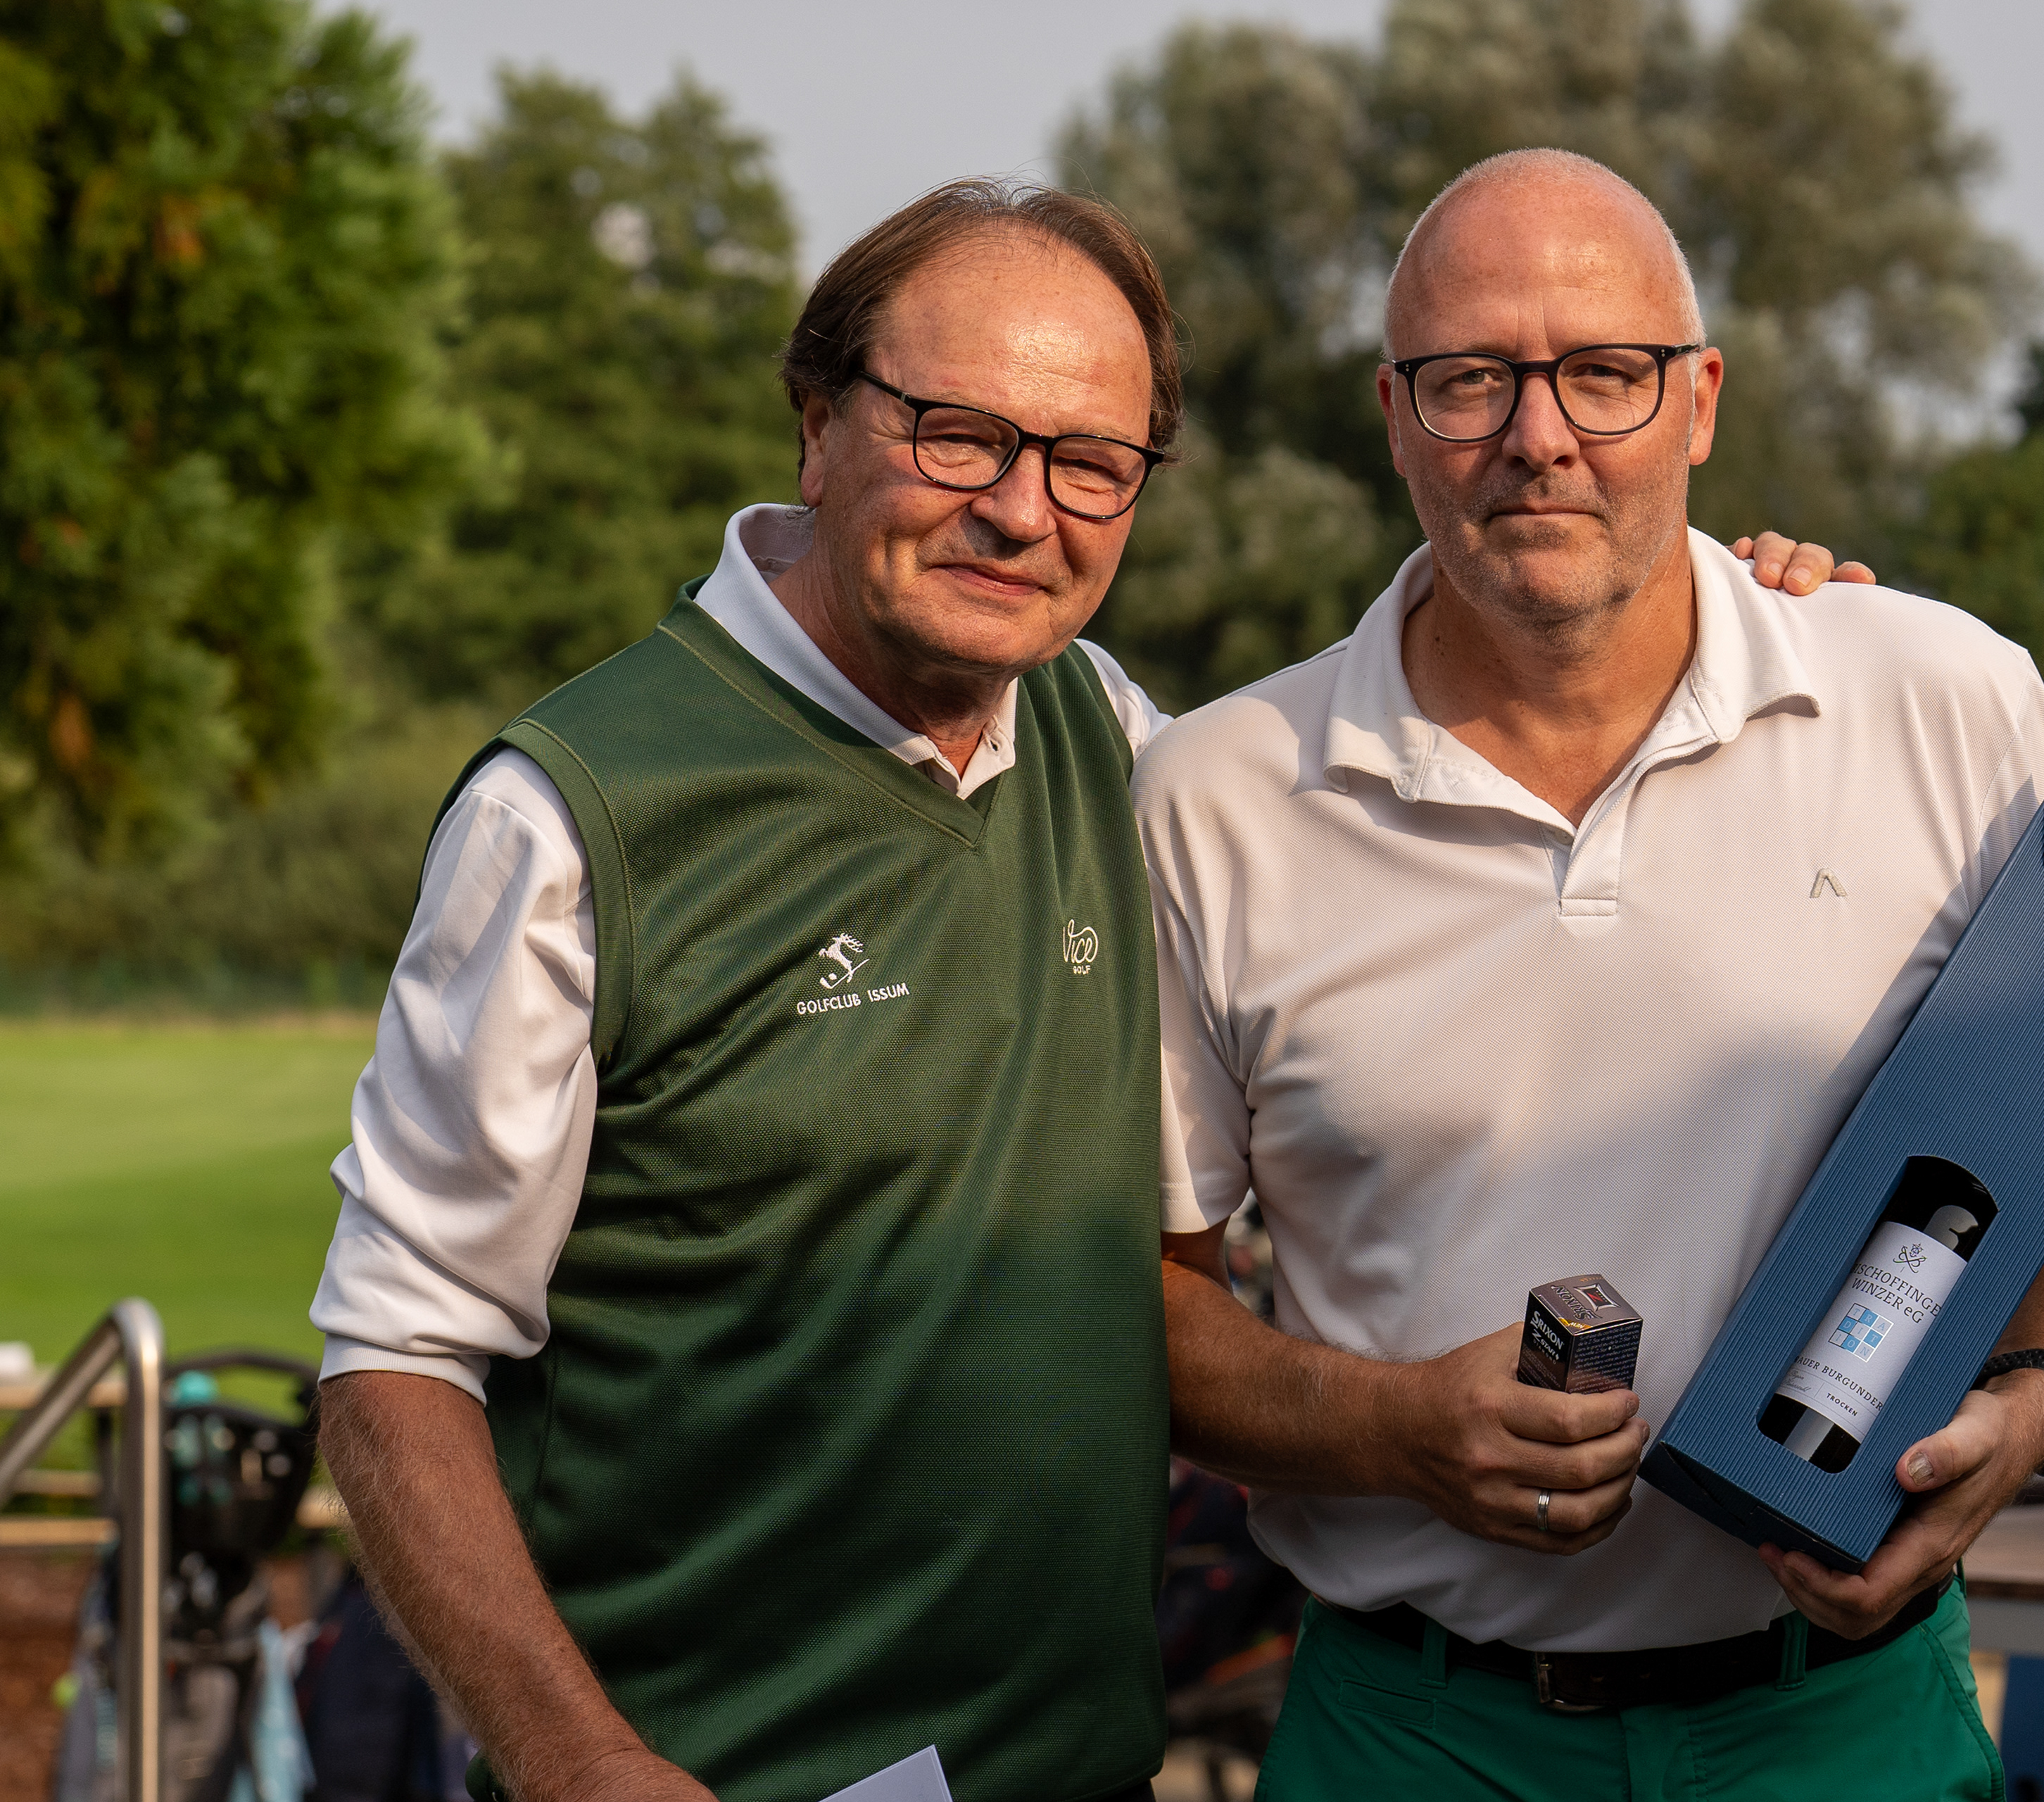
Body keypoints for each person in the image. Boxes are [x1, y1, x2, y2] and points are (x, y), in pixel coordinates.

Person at [307, 175, 1859, 1802]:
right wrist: (579, 1763)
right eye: (959, 435)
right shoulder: (571, 814)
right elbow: (395, 1359)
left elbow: (1451, 754)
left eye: (1090, 463)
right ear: (818, 424)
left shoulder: (1109, 737)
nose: (1020, 509)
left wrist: (1741, 614)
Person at [1136, 149, 2044, 1798]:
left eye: (1604, 373)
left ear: (1699, 402)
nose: (1538, 434)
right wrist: (1391, 1425)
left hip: (1843, 1722)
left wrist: (2038, 1402)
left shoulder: (1942, 696)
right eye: (1470, 379)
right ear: (1395, 416)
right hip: (1419, 1734)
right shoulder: (1217, 793)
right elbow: (1146, 1301)